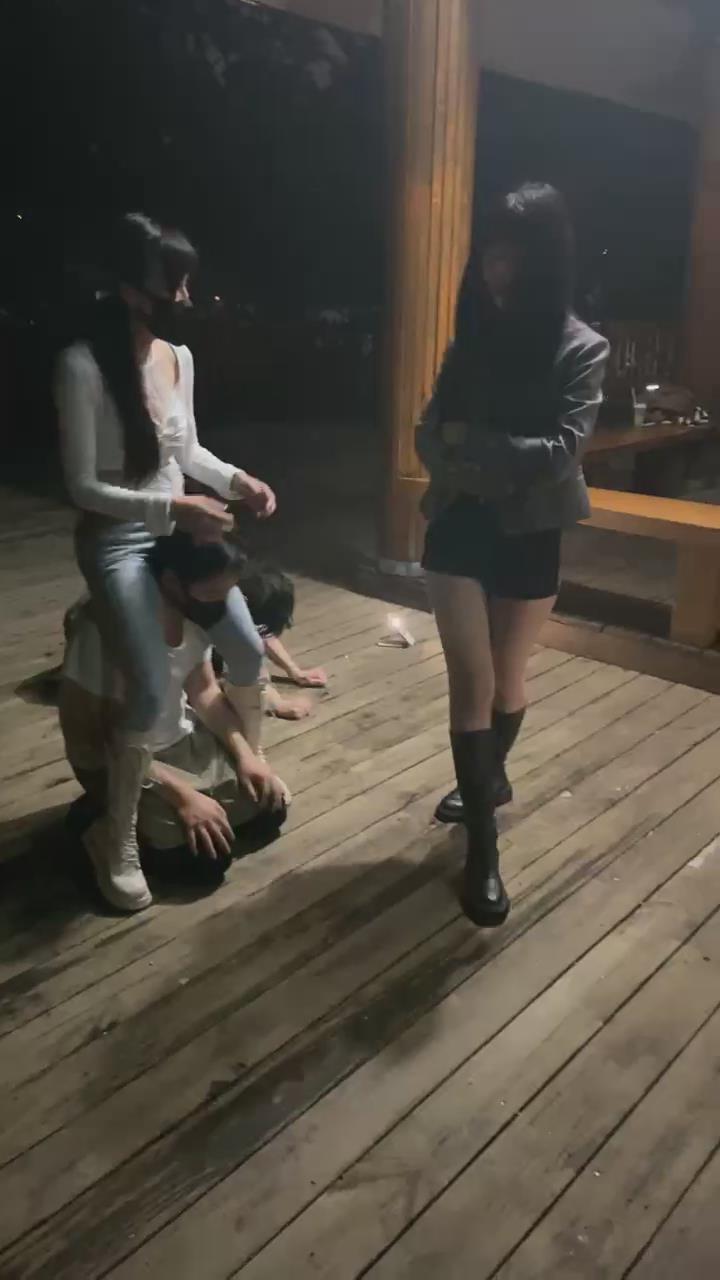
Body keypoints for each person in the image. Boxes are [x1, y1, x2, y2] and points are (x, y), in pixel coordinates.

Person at [55, 212, 276, 911]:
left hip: (180, 529)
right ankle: (116, 837)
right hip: (118, 539)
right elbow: (81, 487)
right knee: (152, 690)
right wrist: (175, 508)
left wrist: (237, 480)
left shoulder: (178, 358)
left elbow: (188, 453)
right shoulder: (82, 364)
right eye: (172, 283)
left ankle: (247, 763)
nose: (185, 296)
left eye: (187, 282)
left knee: (247, 648)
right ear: (129, 288)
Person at [416, 183, 610, 928]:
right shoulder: (472, 337)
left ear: (545, 260)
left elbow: (560, 454)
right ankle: (483, 848)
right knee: (472, 681)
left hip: (531, 530)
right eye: (490, 251)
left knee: (507, 680)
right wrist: (470, 454)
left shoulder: (581, 347)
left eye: (512, 254)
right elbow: (427, 434)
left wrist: (470, 446)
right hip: (458, 524)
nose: (496, 267)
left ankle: (487, 780)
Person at [60, 537, 288, 910]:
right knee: (202, 864)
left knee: (269, 811)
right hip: (122, 761)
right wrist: (183, 797)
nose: (222, 605)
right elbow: (95, 736)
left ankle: (173, 815)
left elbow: (206, 694)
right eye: (213, 593)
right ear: (171, 582)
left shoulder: (195, 616)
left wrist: (246, 755)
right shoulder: (102, 633)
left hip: (182, 741)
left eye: (228, 594)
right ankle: (95, 824)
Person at [235, 562, 328, 720]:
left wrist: (295, 671)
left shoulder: (246, 588)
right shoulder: (216, 612)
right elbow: (240, 667)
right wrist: (276, 703)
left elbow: (263, 634)